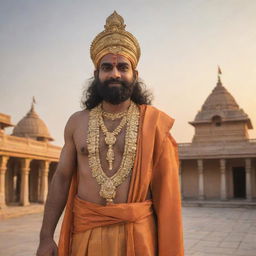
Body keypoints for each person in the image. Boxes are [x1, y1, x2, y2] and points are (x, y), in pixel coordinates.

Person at [37, 11, 184, 256]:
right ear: (97, 75)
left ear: (134, 75)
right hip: (86, 236)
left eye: (122, 67)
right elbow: (61, 179)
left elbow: (167, 197)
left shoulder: (154, 123)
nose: (115, 73)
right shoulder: (76, 122)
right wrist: (45, 237)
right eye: (107, 67)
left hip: (139, 238)